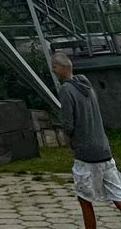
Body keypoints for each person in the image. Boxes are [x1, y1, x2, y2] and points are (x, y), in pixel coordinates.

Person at [52, 52, 121, 228]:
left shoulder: (66, 90)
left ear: (60, 69)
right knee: (117, 196)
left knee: (84, 199)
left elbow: (68, 123)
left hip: (85, 153)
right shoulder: (87, 86)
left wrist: (69, 142)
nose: (53, 71)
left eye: (54, 68)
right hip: (104, 149)